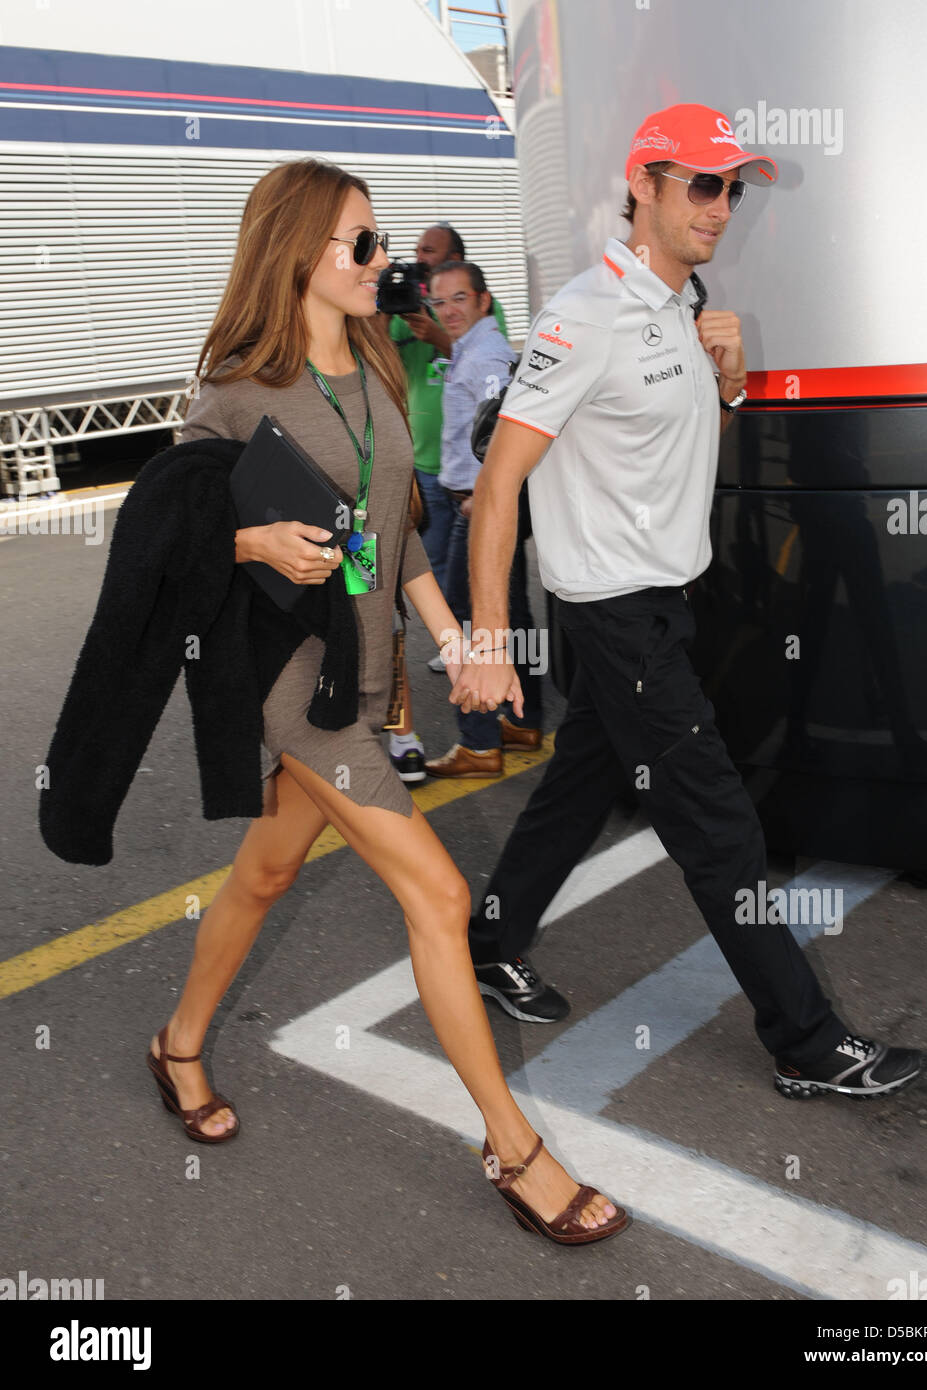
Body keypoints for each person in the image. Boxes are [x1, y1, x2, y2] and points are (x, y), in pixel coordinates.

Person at [143, 158, 625, 1241]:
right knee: (441, 899)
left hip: (363, 676)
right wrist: (243, 537)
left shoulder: (368, 364)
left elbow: (388, 534)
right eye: (360, 244)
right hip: (288, 689)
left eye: (381, 243)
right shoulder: (233, 388)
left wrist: (459, 642)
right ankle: (515, 1150)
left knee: (265, 875)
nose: (383, 263)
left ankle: (176, 1040)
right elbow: (164, 544)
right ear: (297, 254)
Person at [451, 104, 927, 1101]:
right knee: (718, 827)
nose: (721, 205)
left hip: (661, 600)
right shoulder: (581, 313)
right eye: (701, 184)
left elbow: (665, 454)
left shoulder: (681, 303)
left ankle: (490, 944)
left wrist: (727, 387)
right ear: (643, 185)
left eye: (732, 187)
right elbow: (497, 486)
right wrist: (490, 641)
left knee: (579, 780)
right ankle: (804, 1040)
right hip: (614, 614)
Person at [421, 260, 543, 777]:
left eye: (459, 300)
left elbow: (499, 431)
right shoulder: (469, 348)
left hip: (478, 508)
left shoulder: (486, 354)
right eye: (440, 301)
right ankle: (521, 719)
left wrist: (481, 495)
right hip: (477, 502)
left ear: (483, 300)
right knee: (512, 614)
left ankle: (478, 741)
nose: (447, 311)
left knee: (461, 621)